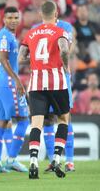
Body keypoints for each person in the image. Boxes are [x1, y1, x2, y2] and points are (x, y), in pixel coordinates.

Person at [19, 0, 71, 179]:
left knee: (37, 123)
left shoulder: (31, 33)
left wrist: (36, 60)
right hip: (56, 82)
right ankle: (56, 158)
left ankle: (33, 160)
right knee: (63, 119)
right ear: (56, 14)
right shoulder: (60, 31)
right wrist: (66, 65)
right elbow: (64, 49)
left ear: (41, 15)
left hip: (36, 83)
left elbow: (20, 58)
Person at [31, 18, 76, 173]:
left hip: (59, 79)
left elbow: (70, 46)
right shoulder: (37, 27)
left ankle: (69, 161)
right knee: (49, 120)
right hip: (53, 80)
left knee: (65, 119)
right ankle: (53, 160)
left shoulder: (65, 26)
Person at [0, 6, 29, 173]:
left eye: (16, 17)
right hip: (7, 83)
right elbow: (4, 60)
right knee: (23, 119)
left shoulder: (6, 35)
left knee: (2, 123)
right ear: (3, 19)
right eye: (10, 18)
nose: (13, 20)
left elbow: (10, 61)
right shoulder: (5, 36)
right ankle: (12, 159)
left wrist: (29, 61)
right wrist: (17, 80)